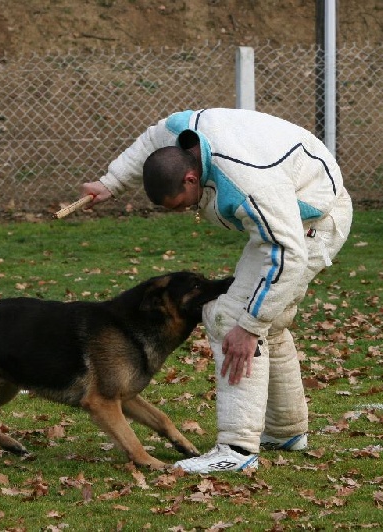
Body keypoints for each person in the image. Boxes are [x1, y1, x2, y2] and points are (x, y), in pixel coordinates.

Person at [81, 108, 352, 474]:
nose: (179, 212)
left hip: (312, 223)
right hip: (285, 222)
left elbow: (287, 252)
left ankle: (236, 450)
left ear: (192, 177)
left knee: (230, 319)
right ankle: (287, 431)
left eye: (180, 203)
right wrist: (111, 183)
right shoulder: (182, 133)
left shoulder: (249, 184)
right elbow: (151, 139)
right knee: (263, 319)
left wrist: (249, 326)